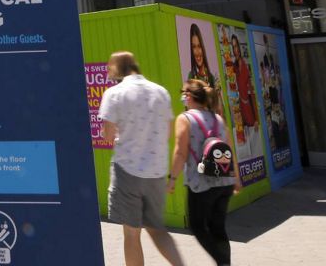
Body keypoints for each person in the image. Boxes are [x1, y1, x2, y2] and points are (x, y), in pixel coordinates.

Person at [98, 52, 184, 266]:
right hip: (155, 172)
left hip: (127, 170)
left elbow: (107, 135)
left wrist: (120, 135)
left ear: (118, 68)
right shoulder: (161, 92)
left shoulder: (114, 93)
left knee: (132, 234)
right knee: (158, 231)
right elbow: (166, 133)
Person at [169, 79, 242, 266]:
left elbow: (180, 151)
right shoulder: (217, 119)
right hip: (224, 182)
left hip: (201, 184)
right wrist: (236, 178)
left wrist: (172, 179)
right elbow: (230, 149)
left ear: (190, 97)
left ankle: (222, 262)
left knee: (197, 226)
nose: (182, 97)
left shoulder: (185, 118)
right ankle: (224, 262)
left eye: (183, 94)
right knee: (218, 227)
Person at [186, 25, 217, 89]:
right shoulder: (191, 76)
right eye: (194, 47)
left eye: (199, 46)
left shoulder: (211, 78)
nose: (197, 52)